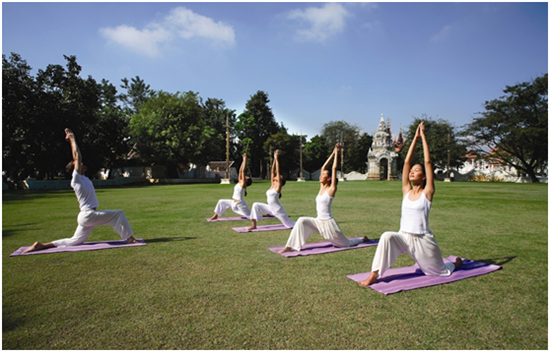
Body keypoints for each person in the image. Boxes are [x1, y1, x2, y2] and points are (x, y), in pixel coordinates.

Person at [359, 122, 462, 287]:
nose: (413, 172)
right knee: (386, 236)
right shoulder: (406, 190)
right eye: (412, 171)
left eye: (417, 171)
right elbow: (406, 163)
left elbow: (428, 163)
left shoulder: (427, 192)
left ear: (424, 177)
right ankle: (374, 274)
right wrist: (414, 137)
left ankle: (455, 263)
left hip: (422, 240)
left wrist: (424, 138)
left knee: (439, 271)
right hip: (403, 236)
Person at [23, 128, 138, 253]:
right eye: (79, 163)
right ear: (74, 166)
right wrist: (72, 139)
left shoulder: (83, 178)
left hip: (86, 216)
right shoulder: (76, 179)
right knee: (118, 214)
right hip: (88, 215)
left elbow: (77, 159)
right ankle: (130, 239)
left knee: (75, 241)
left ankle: (41, 246)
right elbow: (77, 156)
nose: (82, 163)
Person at [278, 143, 368, 253]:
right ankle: (290, 246)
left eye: (324, 175)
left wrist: (337, 154)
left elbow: (334, 168)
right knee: (301, 220)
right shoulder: (321, 187)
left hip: (329, 224)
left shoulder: (331, 189)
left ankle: (362, 239)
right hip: (318, 222)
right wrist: (333, 152)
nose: (321, 176)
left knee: (346, 244)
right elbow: (323, 167)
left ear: (329, 178)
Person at [246, 150, 295, 231]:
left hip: (278, 210)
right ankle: (254, 225)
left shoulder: (278, 187)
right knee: (255, 205)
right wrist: (274, 159)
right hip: (271, 209)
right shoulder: (272, 185)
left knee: (290, 225)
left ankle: (304, 222)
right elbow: (272, 171)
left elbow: (277, 171)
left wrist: (276, 158)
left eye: (279, 176)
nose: (277, 176)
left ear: (280, 180)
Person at [210, 153, 252, 220]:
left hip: (240, 204)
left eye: (247, 177)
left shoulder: (243, 185)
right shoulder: (240, 182)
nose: (245, 176)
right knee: (221, 201)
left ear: (246, 181)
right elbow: (241, 171)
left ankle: (266, 215)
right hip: (233, 202)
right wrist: (243, 161)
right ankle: (215, 215)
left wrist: (245, 160)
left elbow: (243, 171)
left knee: (251, 216)